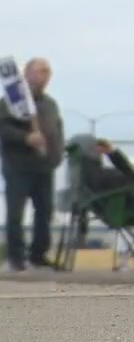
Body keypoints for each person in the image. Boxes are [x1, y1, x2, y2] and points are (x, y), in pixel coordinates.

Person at [0, 58, 64, 272]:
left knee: (45, 212)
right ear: (26, 74)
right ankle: (15, 258)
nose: (44, 76)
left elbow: (57, 131)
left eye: (47, 72)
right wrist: (25, 137)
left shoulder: (50, 104)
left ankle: (38, 255)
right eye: (39, 71)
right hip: (18, 167)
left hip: (44, 167)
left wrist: (56, 156)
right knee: (16, 214)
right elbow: (3, 130)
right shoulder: (10, 102)